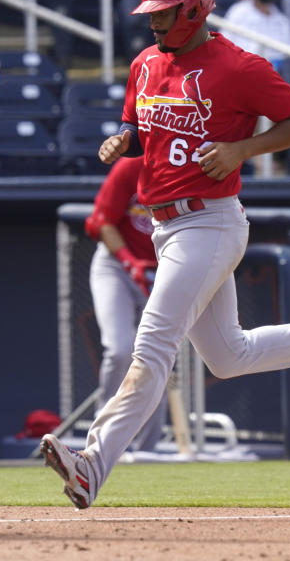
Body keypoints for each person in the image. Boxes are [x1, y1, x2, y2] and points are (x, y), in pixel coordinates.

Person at [40, 0, 290, 510]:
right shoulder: (145, 64)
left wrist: (241, 150)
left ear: (194, 7)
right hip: (167, 226)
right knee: (228, 355)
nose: (154, 22)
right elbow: (139, 128)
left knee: (153, 344)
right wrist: (122, 142)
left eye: (163, 12)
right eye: (150, 12)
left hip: (209, 220)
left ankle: (92, 462)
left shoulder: (239, 66)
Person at [86, 156, 166, 453]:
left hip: (162, 269)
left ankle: (147, 447)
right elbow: (102, 222)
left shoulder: (188, 165)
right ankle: (101, 438)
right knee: (120, 349)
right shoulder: (132, 165)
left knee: (155, 357)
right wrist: (130, 262)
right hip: (116, 265)